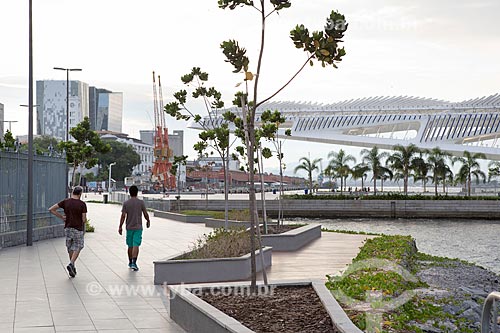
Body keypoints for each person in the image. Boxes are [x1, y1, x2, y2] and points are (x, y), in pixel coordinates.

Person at [49, 186, 87, 278]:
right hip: (78, 228)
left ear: (73, 192)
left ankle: (72, 267)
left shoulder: (65, 202)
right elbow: (84, 219)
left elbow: (51, 209)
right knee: (79, 246)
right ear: (80, 194)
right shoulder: (82, 204)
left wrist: (61, 217)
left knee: (70, 247)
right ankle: (71, 263)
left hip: (68, 228)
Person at [118, 185, 150, 271]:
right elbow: (145, 213)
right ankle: (134, 262)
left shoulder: (126, 203)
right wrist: (148, 220)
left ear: (129, 193)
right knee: (136, 245)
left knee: (130, 245)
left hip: (129, 227)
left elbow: (123, 216)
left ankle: (130, 262)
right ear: (137, 192)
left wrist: (120, 226)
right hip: (138, 227)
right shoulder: (141, 202)